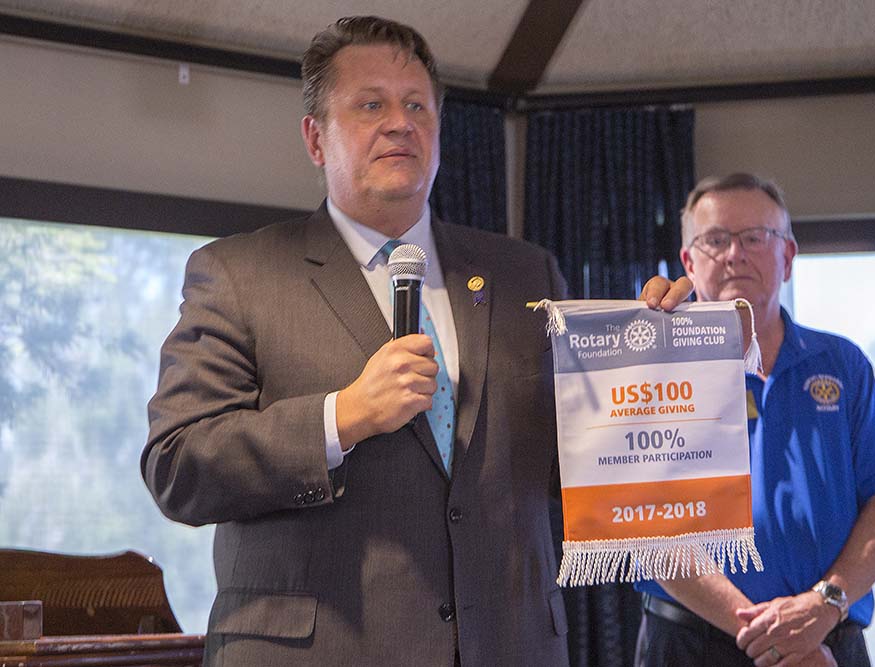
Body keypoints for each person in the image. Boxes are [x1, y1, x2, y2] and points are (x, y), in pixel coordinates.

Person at [141, 15, 690, 666]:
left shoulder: (525, 274)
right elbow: (178, 466)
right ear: (315, 138)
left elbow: (577, 470)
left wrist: (659, 366)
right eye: (371, 105)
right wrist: (341, 417)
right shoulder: (240, 274)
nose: (400, 123)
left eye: (417, 106)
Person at [635, 174, 875, 667]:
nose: (734, 254)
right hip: (690, 645)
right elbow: (641, 524)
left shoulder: (843, 365)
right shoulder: (652, 367)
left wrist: (823, 606)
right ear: (689, 262)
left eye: (755, 237)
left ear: (787, 256)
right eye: (715, 239)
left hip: (828, 636)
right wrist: (779, 639)